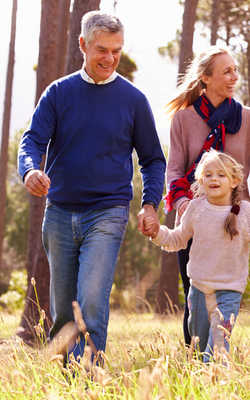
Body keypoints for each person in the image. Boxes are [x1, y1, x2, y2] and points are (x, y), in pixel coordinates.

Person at [17, 11, 165, 363]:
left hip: (108, 211)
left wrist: (149, 204)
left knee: (92, 301)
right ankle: (67, 377)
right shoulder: (58, 93)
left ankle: (89, 378)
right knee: (65, 308)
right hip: (59, 214)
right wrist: (28, 171)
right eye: (102, 49)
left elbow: (153, 159)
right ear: (83, 45)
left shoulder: (133, 100)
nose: (110, 58)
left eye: (116, 51)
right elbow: (32, 141)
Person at [162, 45, 250, 347]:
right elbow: (174, 170)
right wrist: (184, 207)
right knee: (194, 296)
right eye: (226, 71)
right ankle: (193, 363)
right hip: (196, 220)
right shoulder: (182, 119)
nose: (234, 77)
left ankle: (217, 358)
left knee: (226, 295)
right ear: (206, 78)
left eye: (235, 70)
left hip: (233, 219)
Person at [143, 151, 250, 361]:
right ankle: (202, 388)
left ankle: (218, 388)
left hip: (229, 293)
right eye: (208, 175)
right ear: (201, 180)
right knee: (199, 350)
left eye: (221, 175)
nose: (214, 179)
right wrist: (157, 232)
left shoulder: (244, 212)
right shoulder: (196, 208)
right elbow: (177, 240)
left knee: (217, 350)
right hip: (199, 292)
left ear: (234, 181)